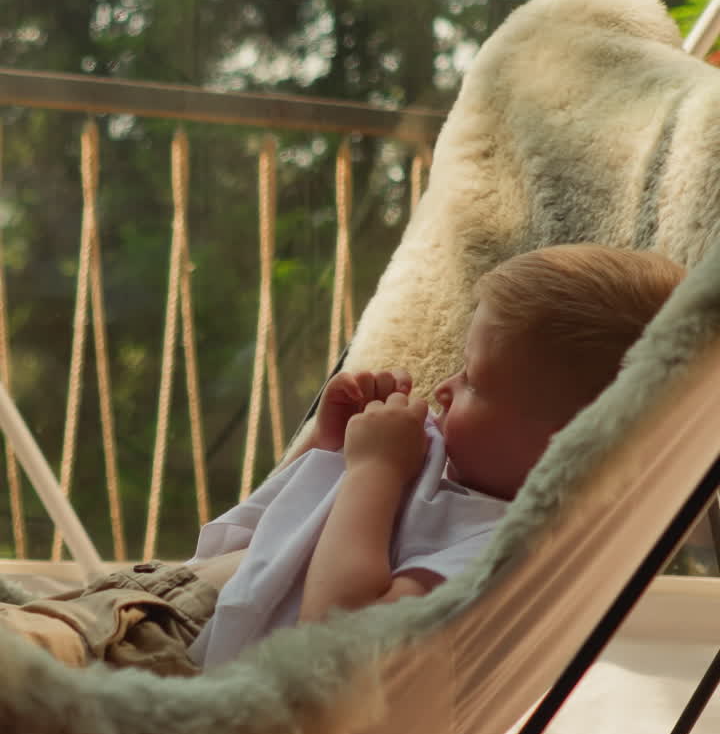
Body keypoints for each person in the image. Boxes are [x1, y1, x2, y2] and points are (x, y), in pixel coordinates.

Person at [0, 243, 684, 673]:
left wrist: (373, 472)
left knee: (21, 658)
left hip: (155, 649)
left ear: (570, 441)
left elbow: (335, 634)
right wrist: (329, 454)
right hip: (149, 597)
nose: (444, 386)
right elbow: (257, 543)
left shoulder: (494, 551)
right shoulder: (445, 483)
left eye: (473, 381)